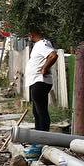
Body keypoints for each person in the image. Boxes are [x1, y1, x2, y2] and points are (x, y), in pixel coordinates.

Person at [25, 30, 59, 158]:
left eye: (29, 34)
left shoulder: (42, 44)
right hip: (36, 81)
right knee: (36, 112)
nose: (28, 37)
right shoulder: (38, 45)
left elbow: (53, 55)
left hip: (40, 81)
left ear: (33, 33)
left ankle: (42, 141)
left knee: (41, 111)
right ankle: (38, 139)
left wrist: (44, 68)